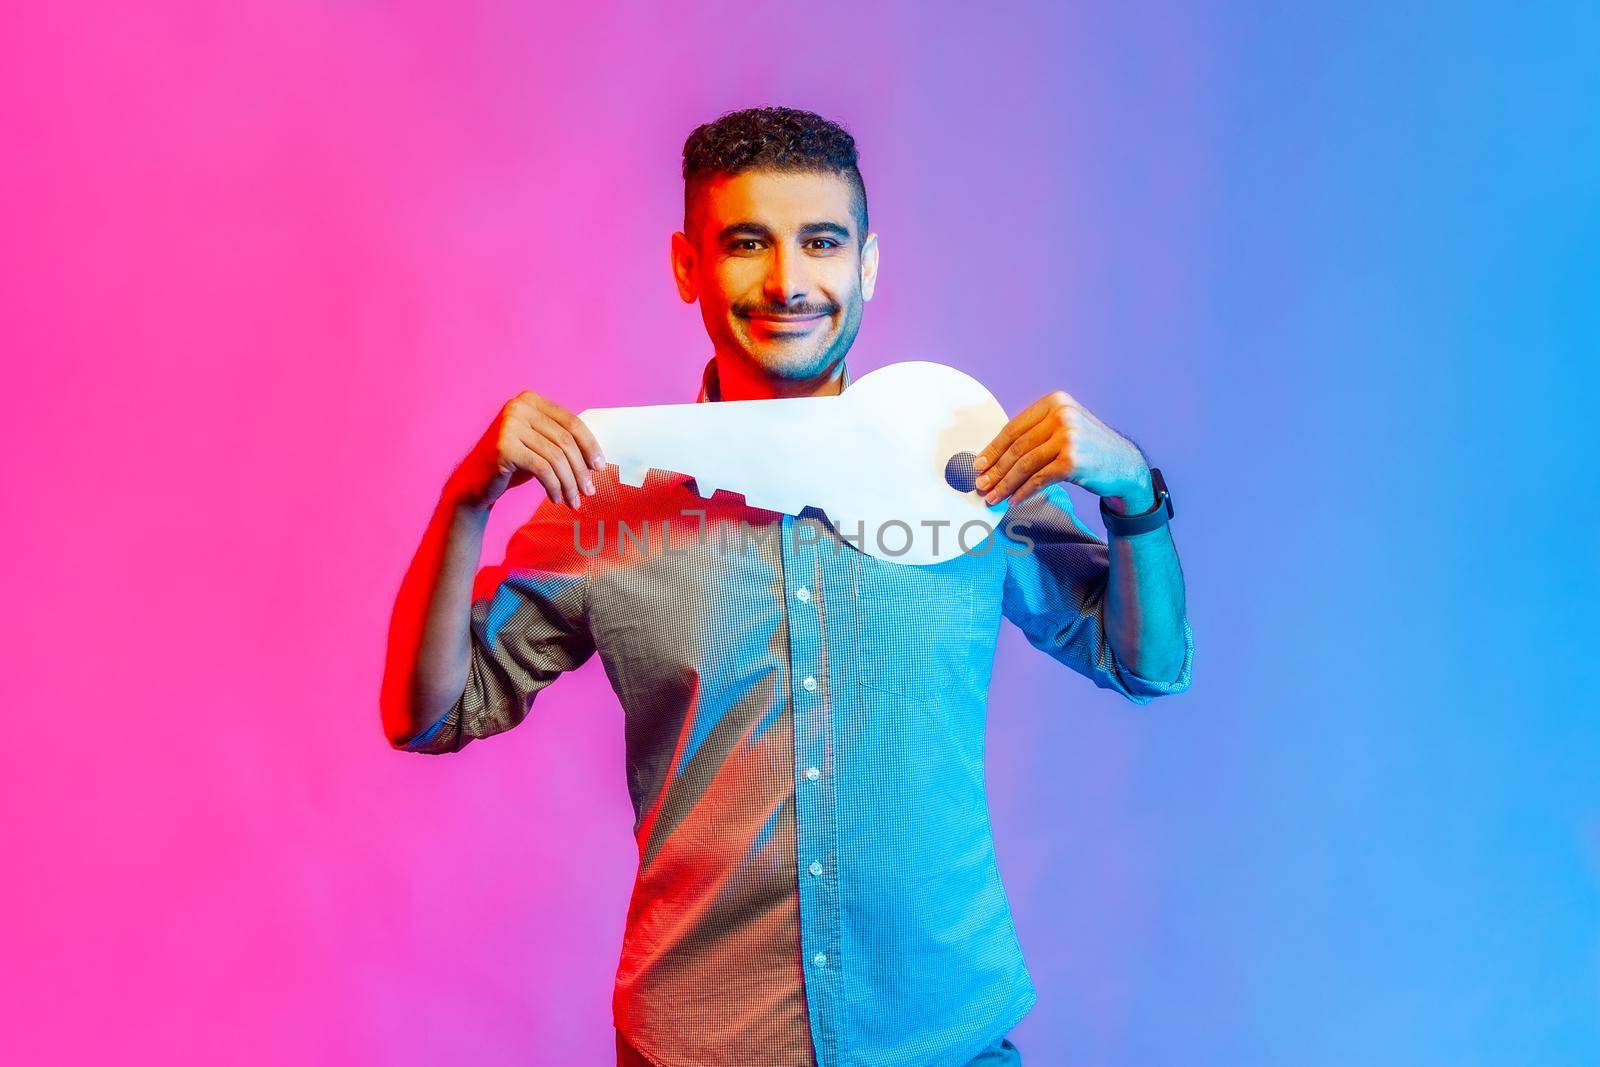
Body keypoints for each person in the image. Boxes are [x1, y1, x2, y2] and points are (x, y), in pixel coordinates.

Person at [380, 106, 1193, 1067]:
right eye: (746, 243)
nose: (788, 282)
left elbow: (1146, 665)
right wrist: (467, 499)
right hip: (699, 1043)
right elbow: (428, 715)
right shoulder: (607, 498)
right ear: (688, 266)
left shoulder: (970, 467)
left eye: (821, 243)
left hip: (942, 1038)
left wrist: (1136, 494)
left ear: (867, 266)